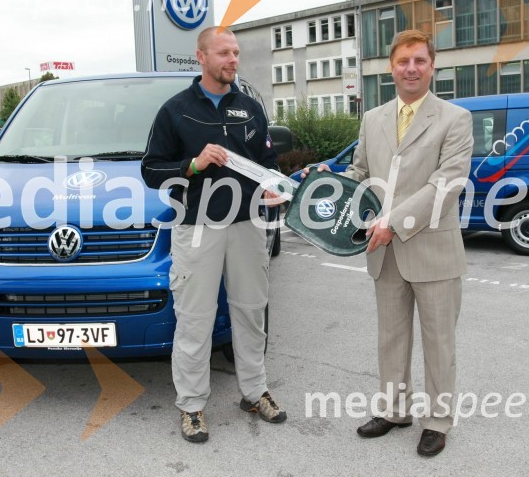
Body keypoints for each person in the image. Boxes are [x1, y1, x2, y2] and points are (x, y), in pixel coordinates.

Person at [305, 30, 472, 456]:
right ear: (391, 68)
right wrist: (325, 182)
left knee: (439, 342)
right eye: (403, 61)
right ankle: (395, 410)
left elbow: (447, 184)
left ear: (432, 66)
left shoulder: (454, 119)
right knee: (391, 338)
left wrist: (393, 223)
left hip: (431, 248)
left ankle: (437, 420)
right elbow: (361, 176)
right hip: (385, 254)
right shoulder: (373, 118)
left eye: (419, 60)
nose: (411, 68)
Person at [141, 26, 286, 443]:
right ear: (201, 57)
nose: (233, 60)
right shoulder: (175, 111)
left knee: (251, 311)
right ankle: (191, 406)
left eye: (236, 52)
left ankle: (255, 392)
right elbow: (151, 170)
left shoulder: (250, 110)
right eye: (224, 52)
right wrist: (193, 164)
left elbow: (268, 163)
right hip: (197, 229)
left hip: (248, 226)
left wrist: (274, 187)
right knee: (195, 319)